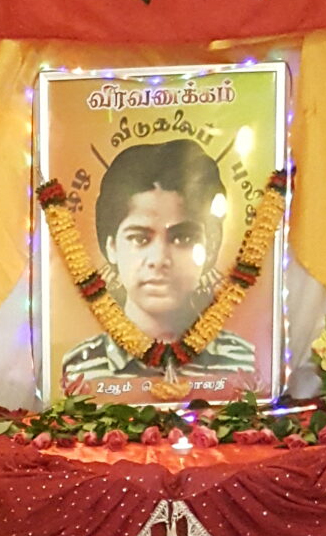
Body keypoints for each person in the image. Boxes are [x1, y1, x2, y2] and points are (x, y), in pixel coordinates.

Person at [60, 134, 257, 388]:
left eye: (183, 238)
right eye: (140, 239)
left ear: (210, 247)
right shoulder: (80, 368)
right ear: (111, 247)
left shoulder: (243, 362)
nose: (159, 259)